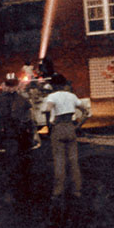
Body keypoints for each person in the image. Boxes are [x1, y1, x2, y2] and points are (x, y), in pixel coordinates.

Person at [42, 73, 90, 201]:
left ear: (53, 85)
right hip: (70, 127)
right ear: (64, 84)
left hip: (58, 128)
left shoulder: (51, 96)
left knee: (59, 161)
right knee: (73, 161)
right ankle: (77, 190)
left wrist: (50, 119)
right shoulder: (72, 96)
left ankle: (58, 192)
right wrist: (78, 126)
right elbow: (86, 111)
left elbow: (48, 109)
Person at [0, 77, 34, 196]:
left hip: (9, 132)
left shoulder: (0, 99)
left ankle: (12, 182)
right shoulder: (22, 99)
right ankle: (22, 182)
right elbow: (29, 115)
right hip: (21, 131)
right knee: (22, 155)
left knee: (11, 156)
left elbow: (0, 117)